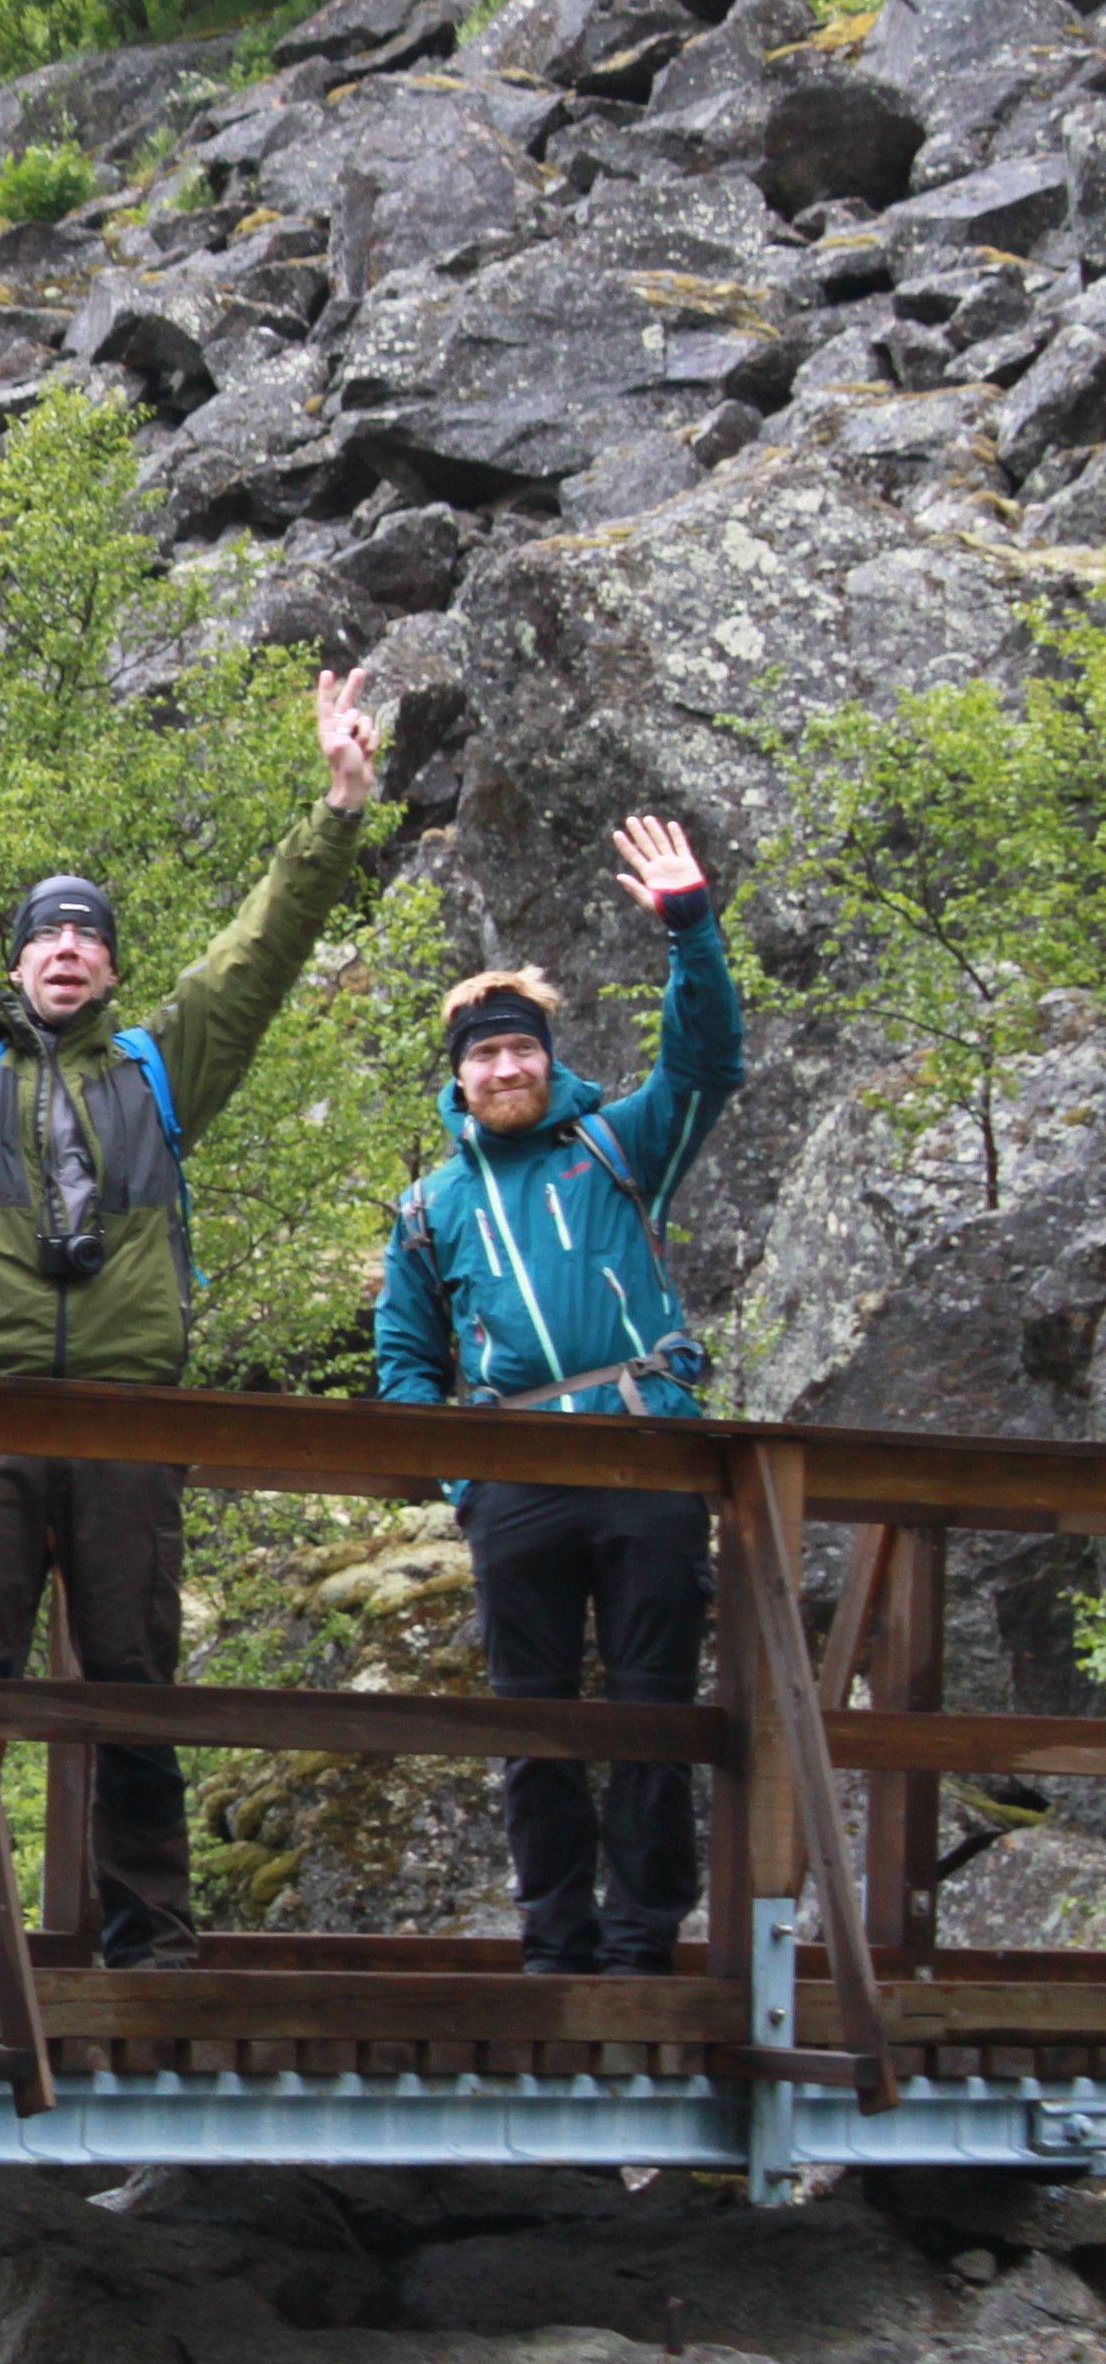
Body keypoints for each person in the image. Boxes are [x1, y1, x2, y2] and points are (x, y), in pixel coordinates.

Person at [0, 666, 383, 1969]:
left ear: (112, 965)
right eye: (45, 934)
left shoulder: (169, 1064)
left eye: (88, 935)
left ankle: (150, 1934)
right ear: (14, 963)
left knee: (131, 1683)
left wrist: (340, 808)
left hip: (125, 1419)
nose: (67, 949)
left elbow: (265, 941)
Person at [375, 817, 742, 1978]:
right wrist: (464, 1479)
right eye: (482, 1057)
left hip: (646, 1456)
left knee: (651, 1715)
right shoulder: (431, 1206)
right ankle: (554, 1940)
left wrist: (691, 928)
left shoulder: (621, 1144)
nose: (503, 1070)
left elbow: (707, 1059)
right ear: (459, 1076)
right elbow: (403, 1360)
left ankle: (641, 1941)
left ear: (546, 1053)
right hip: (517, 1476)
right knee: (530, 1725)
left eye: (519, 1050)